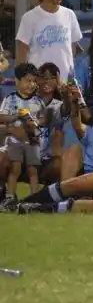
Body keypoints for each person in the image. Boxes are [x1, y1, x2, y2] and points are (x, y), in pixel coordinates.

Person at [16, 0, 83, 82]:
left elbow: (73, 47)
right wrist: (20, 80)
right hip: (39, 81)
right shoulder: (29, 17)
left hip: (64, 81)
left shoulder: (69, 14)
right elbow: (22, 51)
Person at [0, 63, 44, 204]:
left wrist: (36, 122)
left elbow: (43, 118)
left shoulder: (38, 101)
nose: (31, 85)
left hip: (32, 140)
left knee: (33, 170)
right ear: (17, 81)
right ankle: (10, 198)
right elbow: (2, 117)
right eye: (28, 81)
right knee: (15, 168)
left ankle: (34, 199)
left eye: (34, 81)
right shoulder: (10, 98)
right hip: (14, 140)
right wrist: (16, 116)